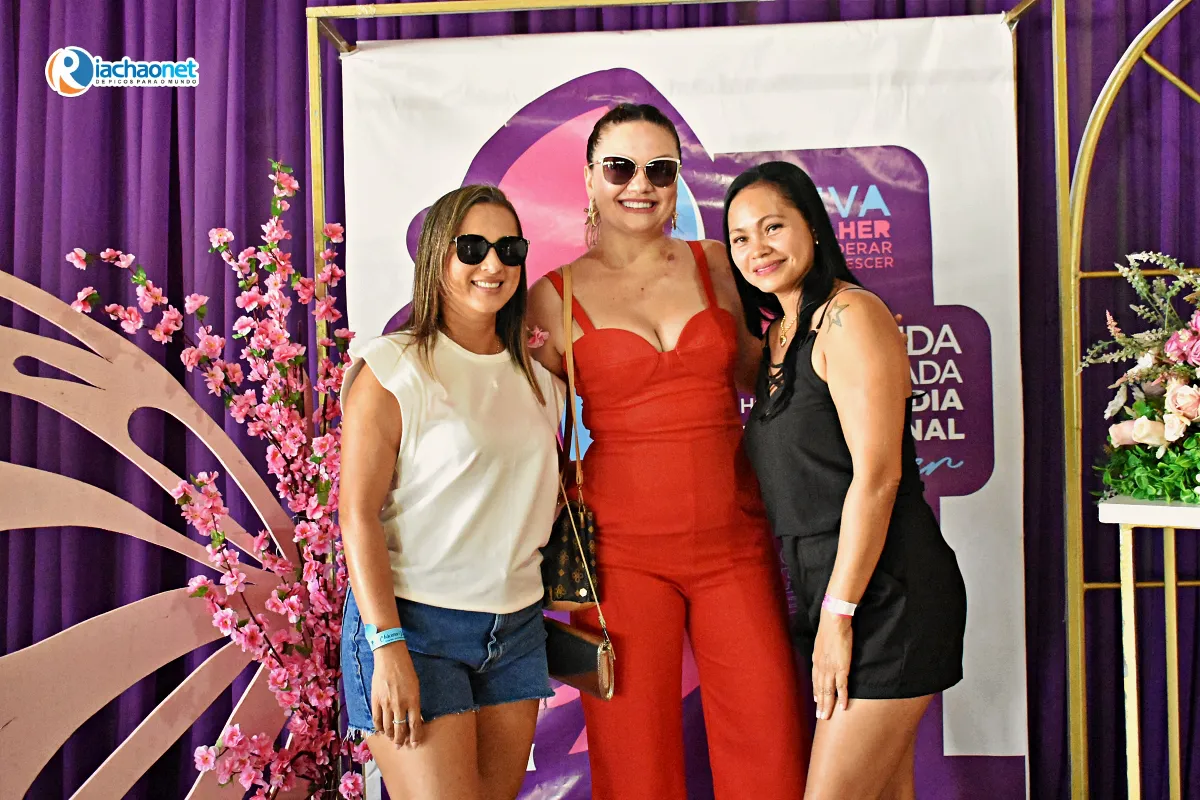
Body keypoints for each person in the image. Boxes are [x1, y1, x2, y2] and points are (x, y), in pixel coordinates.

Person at [527, 103, 808, 800]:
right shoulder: (550, 299)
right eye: (620, 168)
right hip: (619, 556)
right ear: (589, 178)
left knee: (771, 751)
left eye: (659, 170)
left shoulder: (716, 263)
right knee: (634, 764)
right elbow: (520, 424)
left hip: (735, 540)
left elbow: (763, 377)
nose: (640, 185)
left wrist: (835, 335)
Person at [725, 160, 968, 800]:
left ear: (812, 223)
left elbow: (878, 478)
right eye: (740, 238)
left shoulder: (852, 315)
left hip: (886, 594)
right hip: (830, 590)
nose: (757, 249)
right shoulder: (778, 336)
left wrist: (838, 616)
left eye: (773, 226)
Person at [339, 185, 563, 800]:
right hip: (413, 625)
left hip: (516, 629)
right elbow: (356, 516)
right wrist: (387, 646)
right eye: (473, 248)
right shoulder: (392, 368)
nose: (493, 264)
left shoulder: (540, 380)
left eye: (509, 249)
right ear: (438, 255)